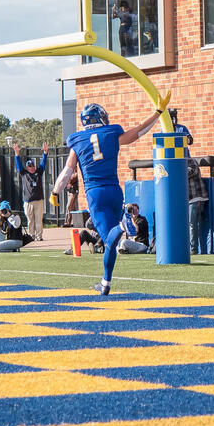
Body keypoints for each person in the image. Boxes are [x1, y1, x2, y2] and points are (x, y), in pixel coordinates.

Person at [54, 99, 165, 294]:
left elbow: (66, 172)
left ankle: (122, 226)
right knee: (111, 243)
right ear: (100, 118)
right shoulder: (111, 133)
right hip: (114, 191)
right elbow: (139, 131)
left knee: (109, 240)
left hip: (95, 194)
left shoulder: (77, 140)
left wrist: (55, 192)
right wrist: (158, 113)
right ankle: (105, 283)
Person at [12, 141, 48, 241]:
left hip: (38, 200)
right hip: (28, 201)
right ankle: (31, 235)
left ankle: (39, 236)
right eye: (30, 166)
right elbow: (19, 165)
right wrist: (17, 153)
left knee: (38, 219)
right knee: (30, 220)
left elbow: (43, 163)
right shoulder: (24, 174)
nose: (32, 168)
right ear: (27, 168)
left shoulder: (39, 172)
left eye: (33, 166)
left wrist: (45, 153)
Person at [186, 154, 212, 255]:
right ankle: (189, 247)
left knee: (192, 224)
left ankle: (193, 249)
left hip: (196, 197)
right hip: (185, 200)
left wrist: (175, 168)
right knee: (188, 224)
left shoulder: (190, 161)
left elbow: (190, 172)